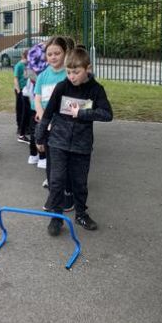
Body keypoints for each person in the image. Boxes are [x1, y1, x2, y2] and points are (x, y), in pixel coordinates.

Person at [36, 46, 113, 236]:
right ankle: (56, 217)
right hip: (58, 142)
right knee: (56, 181)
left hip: (82, 145)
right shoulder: (62, 87)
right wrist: (39, 136)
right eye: (69, 72)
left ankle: (81, 214)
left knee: (79, 183)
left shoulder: (96, 90)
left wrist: (83, 113)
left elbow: (107, 114)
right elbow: (48, 113)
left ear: (88, 68)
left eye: (76, 72)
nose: (71, 76)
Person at [34, 36, 73, 211]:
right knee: (51, 163)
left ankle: (68, 195)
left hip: (66, 127)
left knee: (66, 163)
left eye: (57, 53)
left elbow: (78, 102)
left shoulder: (70, 75)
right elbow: (37, 100)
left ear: (65, 53)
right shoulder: (43, 76)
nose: (53, 57)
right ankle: (54, 195)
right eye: (49, 54)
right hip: (48, 126)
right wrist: (44, 120)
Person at [13, 49, 30, 142]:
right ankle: (20, 127)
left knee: (26, 109)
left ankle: (26, 127)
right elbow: (15, 78)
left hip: (27, 90)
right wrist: (18, 90)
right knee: (20, 109)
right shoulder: (19, 65)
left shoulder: (29, 65)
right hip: (20, 90)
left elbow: (28, 77)